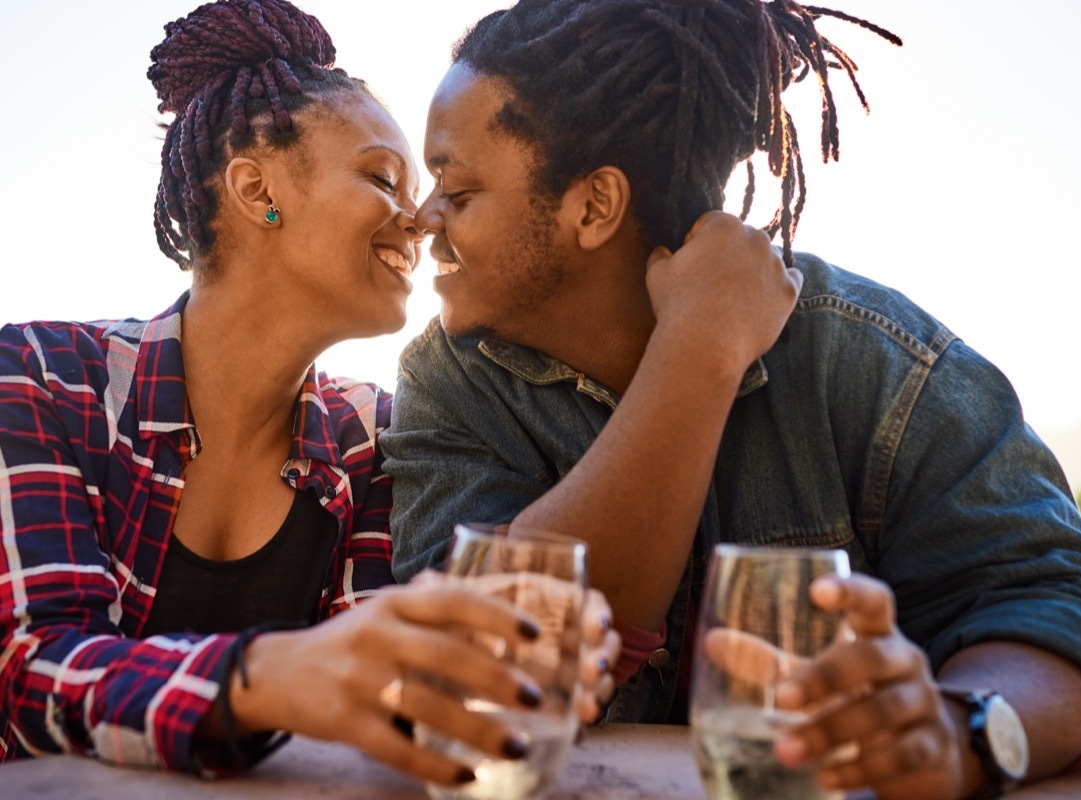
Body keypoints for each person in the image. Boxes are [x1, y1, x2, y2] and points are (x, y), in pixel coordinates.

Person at [381, 2, 1081, 799]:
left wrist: (958, 730)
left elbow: (1075, 615)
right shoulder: (451, 380)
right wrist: (696, 358)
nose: (420, 216)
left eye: (457, 187)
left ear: (593, 206)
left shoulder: (869, 356)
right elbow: (468, 665)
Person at [0, 0, 623, 784]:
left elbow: (372, 692)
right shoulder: (42, 378)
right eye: (382, 177)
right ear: (257, 187)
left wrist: (495, 656)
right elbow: (29, 674)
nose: (420, 218)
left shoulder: (369, 436)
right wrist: (271, 678)